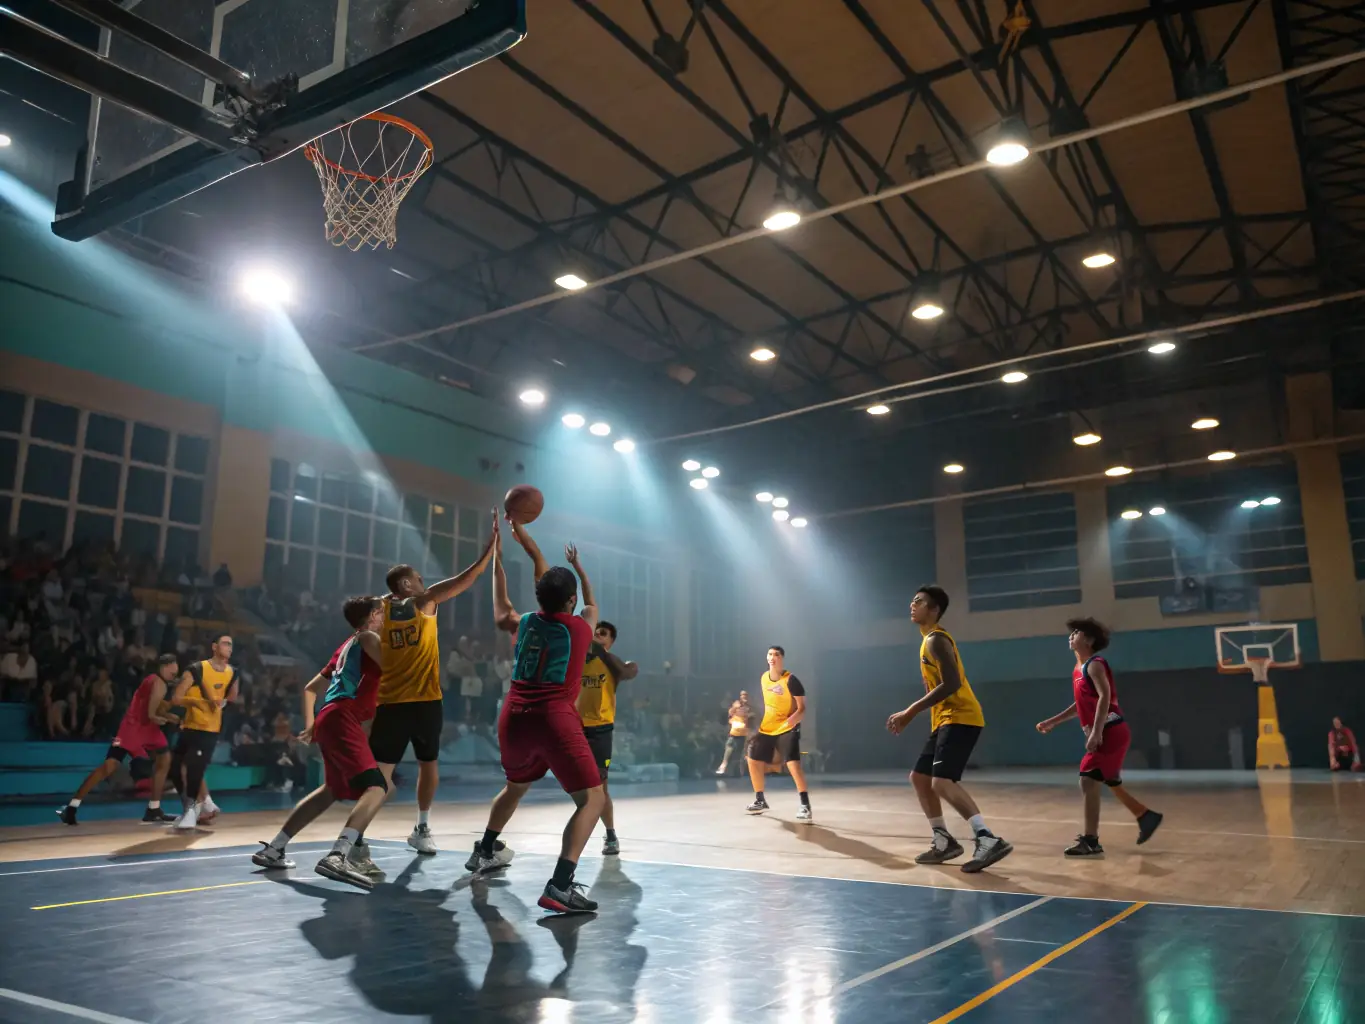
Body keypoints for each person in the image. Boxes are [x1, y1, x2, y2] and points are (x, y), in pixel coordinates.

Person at [466, 518, 605, 915]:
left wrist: (497, 563)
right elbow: (593, 604)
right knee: (592, 800)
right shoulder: (579, 628)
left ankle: (487, 848)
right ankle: (560, 886)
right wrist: (579, 570)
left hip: (513, 716)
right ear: (571, 600)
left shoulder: (523, 622)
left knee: (514, 786)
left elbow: (502, 607)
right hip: (553, 719)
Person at [370, 523, 498, 854]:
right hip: (418, 701)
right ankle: (415, 826)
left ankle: (370, 834)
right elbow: (465, 579)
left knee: (390, 771)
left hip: (397, 702)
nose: (424, 582)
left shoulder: (378, 610)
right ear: (405, 584)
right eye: (418, 578)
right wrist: (488, 550)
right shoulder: (421, 602)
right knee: (419, 767)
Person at [252, 596, 390, 888]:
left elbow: (310, 689)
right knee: (377, 787)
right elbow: (396, 669)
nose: (384, 618)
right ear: (373, 616)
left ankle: (275, 848)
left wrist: (312, 723)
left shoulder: (346, 646)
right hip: (344, 716)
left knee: (329, 791)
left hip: (330, 715)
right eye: (381, 613)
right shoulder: (368, 637)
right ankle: (339, 854)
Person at [887, 585, 1012, 873]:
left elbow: (952, 683)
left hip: (961, 716)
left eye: (919, 601)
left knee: (941, 782)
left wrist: (909, 712)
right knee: (920, 777)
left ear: (934, 610)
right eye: (912, 599)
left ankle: (987, 838)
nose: (912, 604)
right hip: (945, 718)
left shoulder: (935, 640)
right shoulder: (927, 641)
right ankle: (943, 840)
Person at [1036, 618, 1163, 856]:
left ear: (1090, 640)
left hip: (1111, 731)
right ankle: (1145, 816)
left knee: (1088, 778)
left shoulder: (1095, 664)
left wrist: (1095, 732)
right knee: (1109, 781)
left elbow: (1105, 697)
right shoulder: (1078, 669)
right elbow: (1079, 705)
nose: (1071, 635)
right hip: (1107, 731)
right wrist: (1053, 721)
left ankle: (1091, 841)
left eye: (1077, 632)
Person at [58, 653, 180, 825]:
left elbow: (155, 709)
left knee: (164, 758)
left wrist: (168, 716)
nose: (174, 676)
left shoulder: (156, 681)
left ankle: (153, 808)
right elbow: (152, 713)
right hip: (132, 728)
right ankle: (71, 807)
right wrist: (161, 717)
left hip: (145, 729)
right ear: (164, 667)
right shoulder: (158, 682)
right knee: (110, 766)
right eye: (173, 673)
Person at [577, 620, 639, 855]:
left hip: (600, 731)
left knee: (600, 787)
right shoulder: (576, 662)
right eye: (594, 633)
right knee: (581, 789)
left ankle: (610, 834)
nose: (596, 636)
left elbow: (630, 671)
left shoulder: (611, 664)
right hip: (576, 728)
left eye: (602, 634)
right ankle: (580, 829)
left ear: (610, 642)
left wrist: (600, 652)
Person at [169, 635, 238, 830]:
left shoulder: (232, 673)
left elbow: (233, 696)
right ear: (214, 647)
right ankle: (202, 804)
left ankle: (193, 810)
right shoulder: (197, 669)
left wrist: (222, 702)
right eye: (225, 643)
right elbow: (176, 698)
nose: (229, 647)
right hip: (189, 726)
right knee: (176, 769)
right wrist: (198, 702)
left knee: (194, 768)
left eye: (231, 645)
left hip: (209, 730)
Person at [745, 647, 811, 821]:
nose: (772, 657)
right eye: (770, 654)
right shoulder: (763, 678)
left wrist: (793, 719)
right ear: (766, 658)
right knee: (752, 756)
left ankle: (805, 804)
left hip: (787, 727)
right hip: (768, 727)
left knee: (793, 764)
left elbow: (802, 708)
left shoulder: (791, 680)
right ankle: (760, 799)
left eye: (776, 655)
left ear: (782, 658)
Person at [716, 691, 753, 776]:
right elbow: (730, 713)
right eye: (743, 695)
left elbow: (751, 717)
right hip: (736, 730)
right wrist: (734, 710)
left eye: (746, 695)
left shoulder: (749, 707)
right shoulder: (737, 704)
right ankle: (725, 765)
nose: (744, 697)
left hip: (742, 731)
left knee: (739, 751)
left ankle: (736, 770)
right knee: (730, 746)